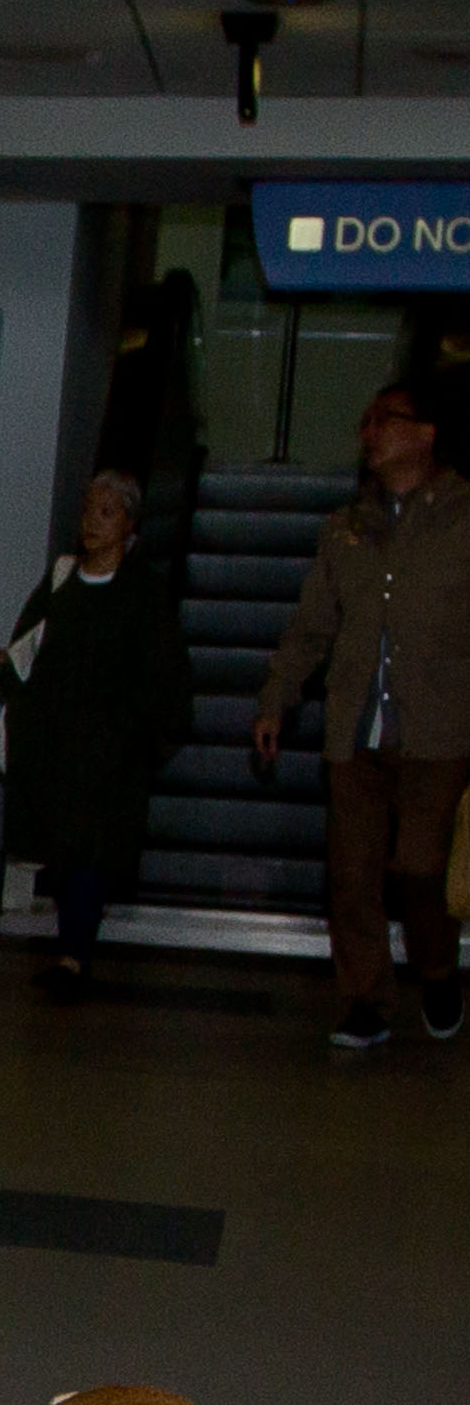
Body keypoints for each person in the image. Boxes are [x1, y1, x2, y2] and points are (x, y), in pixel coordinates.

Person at [254, 380, 470, 1047]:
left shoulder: (464, 516)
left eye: (384, 421)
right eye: (367, 420)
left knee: (419, 870)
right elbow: (312, 627)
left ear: (425, 434)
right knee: (351, 875)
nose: (368, 433)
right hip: (355, 730)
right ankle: (365, 1000)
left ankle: (437, 969)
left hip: (437, 730)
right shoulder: (346, 528)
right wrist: (276, 699)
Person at [0, 468, 190, 992]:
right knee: (63, 853)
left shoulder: (142, 594)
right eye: (88, 510)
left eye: (106, 512)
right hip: (55, 746)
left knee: (90, 852)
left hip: (109, 754)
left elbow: (165, 676)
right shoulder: (62, 580)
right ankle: (70, 949)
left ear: (129, 523)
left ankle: (74, 957)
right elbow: (23, 648)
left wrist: (136, 734)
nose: (92, 522)